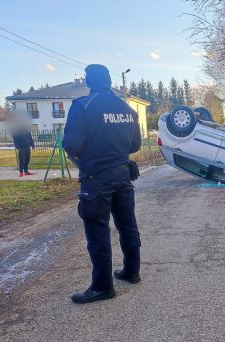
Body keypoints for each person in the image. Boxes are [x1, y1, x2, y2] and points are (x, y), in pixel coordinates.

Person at [63, 64, 142, 304]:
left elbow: (72, 145)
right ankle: (131, 271)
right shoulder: (127, 108)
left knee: (97, 232)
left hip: (96, 178)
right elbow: (135, 145)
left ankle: (102, 286)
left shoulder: (82, 106)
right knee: (127, 225)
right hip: (122, 174)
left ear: (88, 81)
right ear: (109, 81)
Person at [11, 113, 35, 177]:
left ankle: (26, 171)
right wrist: (18, 147)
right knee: (22, 161)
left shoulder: (27, 132)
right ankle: (21, 172)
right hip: (22, 149)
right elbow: (15, 140)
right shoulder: (17, 132)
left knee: (27, 160)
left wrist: (33, 146)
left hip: (28, 148)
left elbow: (31, 139)